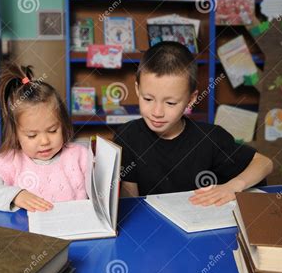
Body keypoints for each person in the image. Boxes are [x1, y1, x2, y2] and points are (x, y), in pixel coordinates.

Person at [114, 42, 273, 206]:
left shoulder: (211, 138)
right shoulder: (127, 135)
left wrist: (233, 186)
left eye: (170, 103)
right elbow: (131, 202)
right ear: (137, 89)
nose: (157, 112)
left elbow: (265, 163)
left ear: (191, 99)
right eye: (148, 99)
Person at [0, 63, 88, 212]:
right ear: (16, 135)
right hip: (26, 232)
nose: (45, 141)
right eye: (32, 135)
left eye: (52, 131)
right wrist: (16, 195)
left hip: (75, 231)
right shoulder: (11, 160)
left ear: (63, 125)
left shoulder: (80, 155)